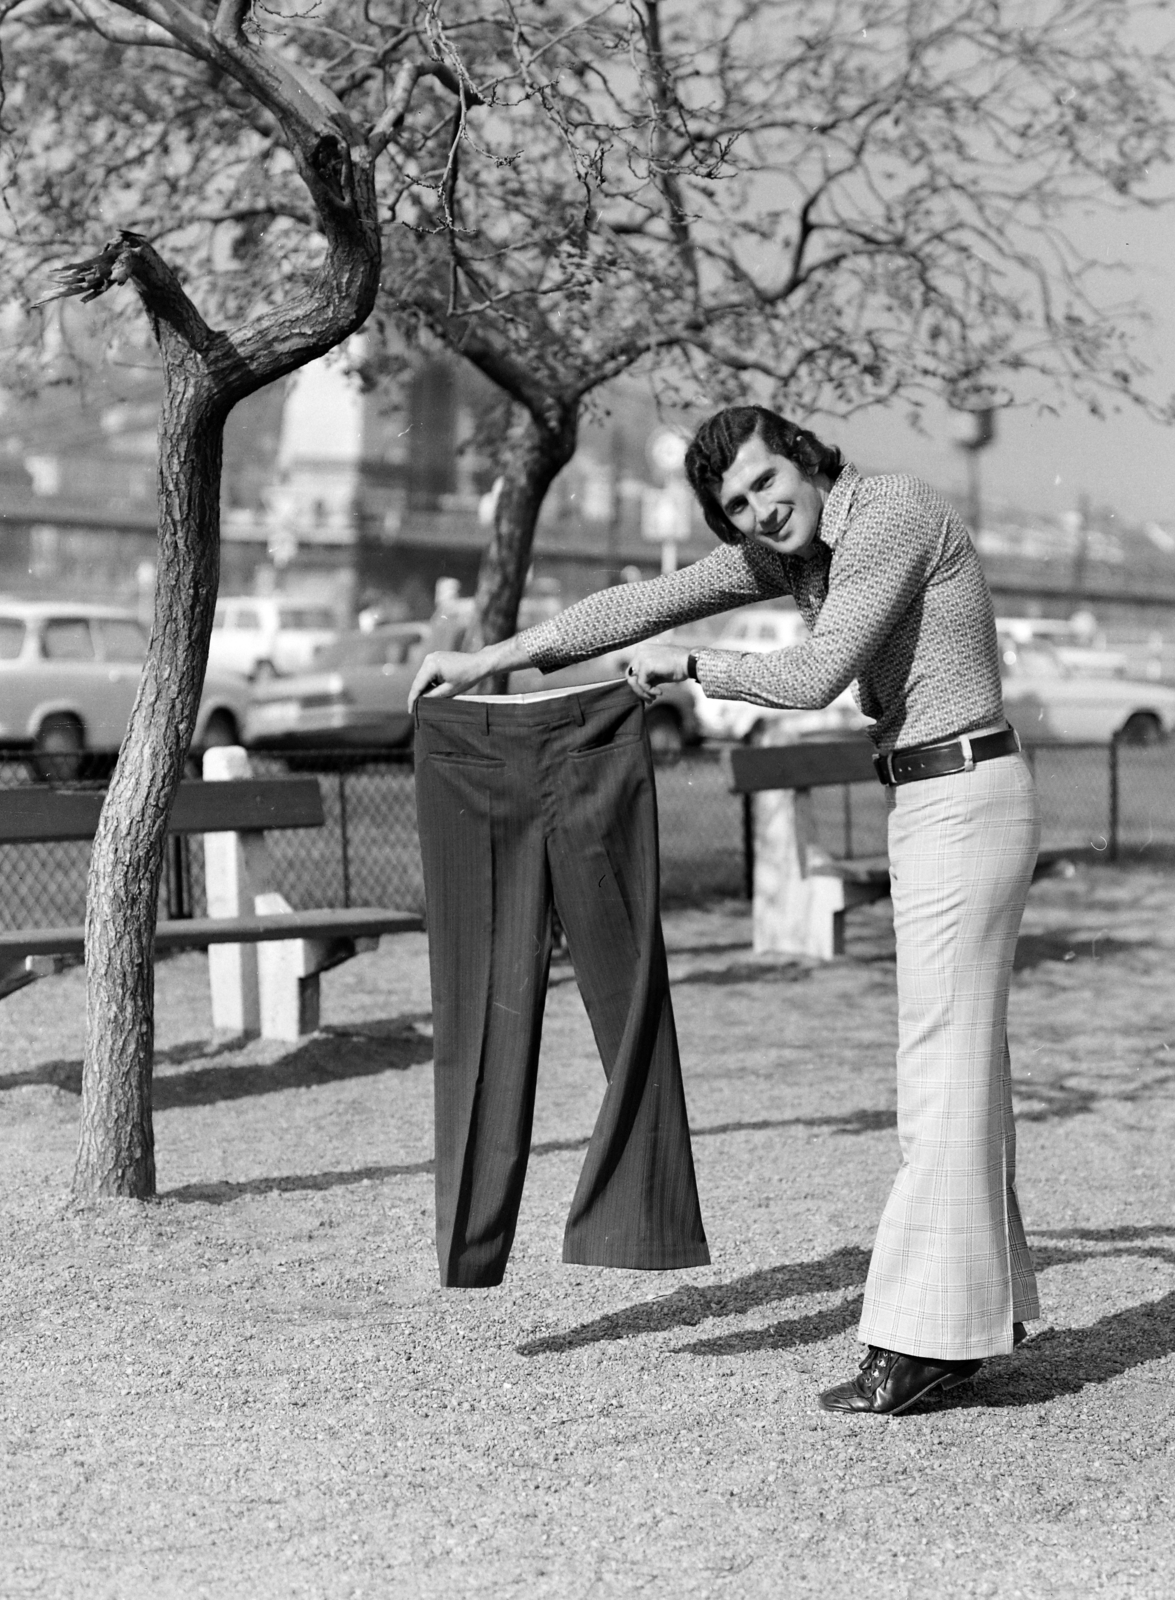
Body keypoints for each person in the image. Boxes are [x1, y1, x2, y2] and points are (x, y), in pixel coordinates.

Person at [408, 404, 1040, 1416]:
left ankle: (920, 1341)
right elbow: (640, 603)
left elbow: (812, 674)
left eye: (765, 483)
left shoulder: (887, 513)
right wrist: (490, 660)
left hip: (963, 794)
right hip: (927, 798)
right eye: (737, 504)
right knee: (960, 1064)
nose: (758, 509)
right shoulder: (788, 552)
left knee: (938, 1069)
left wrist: (693, 668)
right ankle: (977, 1314)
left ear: (802, 455)